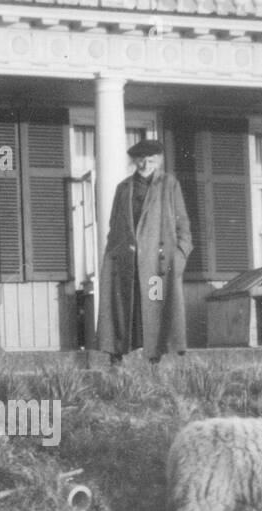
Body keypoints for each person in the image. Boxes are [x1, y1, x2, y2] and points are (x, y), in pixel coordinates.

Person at [96, 139, 193, 363]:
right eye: (141, 159)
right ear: (134, 161)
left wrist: (177, 259)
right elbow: (114, 227)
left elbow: (184, 228)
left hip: (157, 268)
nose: (146, 164)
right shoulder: (123, 188)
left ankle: (154, 364)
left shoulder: (169, 185)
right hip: (126, 265)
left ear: (158, 161)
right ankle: (117, 362)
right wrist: (112, 257)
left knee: (155, 308)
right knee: (121, 311)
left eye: (151, 160)